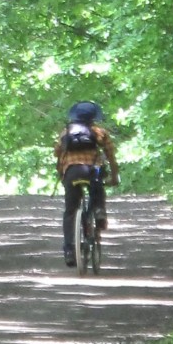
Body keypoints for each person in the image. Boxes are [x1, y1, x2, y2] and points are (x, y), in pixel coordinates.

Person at [54, 100, 119, 267]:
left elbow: (57, 154)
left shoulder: (66, 132)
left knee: (70, 210)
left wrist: (62, 174)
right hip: (91, 171)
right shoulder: (98, 131)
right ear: (93, 117)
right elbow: (110, 155)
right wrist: (114, 176)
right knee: (98, 184)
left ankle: (69, 250)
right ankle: (98, 210)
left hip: (71, 173)